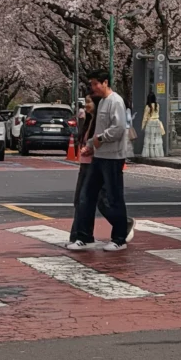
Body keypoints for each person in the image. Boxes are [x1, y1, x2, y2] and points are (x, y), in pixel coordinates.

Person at [68, 72, 134, 251]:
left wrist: (101, 139)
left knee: (114, 198)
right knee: (86, 197)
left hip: (113, 157)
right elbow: (99, 129)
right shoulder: (103, 102)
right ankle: (84, 236)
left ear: (106, 82)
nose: (94, 87)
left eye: (96, 84)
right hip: (99, 156)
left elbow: (119, 128)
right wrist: (91, 145)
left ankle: (119, 238)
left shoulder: (116, 101)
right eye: (92, 84)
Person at [141, 91, 165, 158]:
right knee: (156, 138)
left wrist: (143, 126)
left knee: (149, 139)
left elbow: (145, 117)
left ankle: (150, 154)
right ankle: (157, 153)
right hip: (157, 122)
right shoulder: (157, 105)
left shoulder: (148, 106)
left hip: (150, 123)